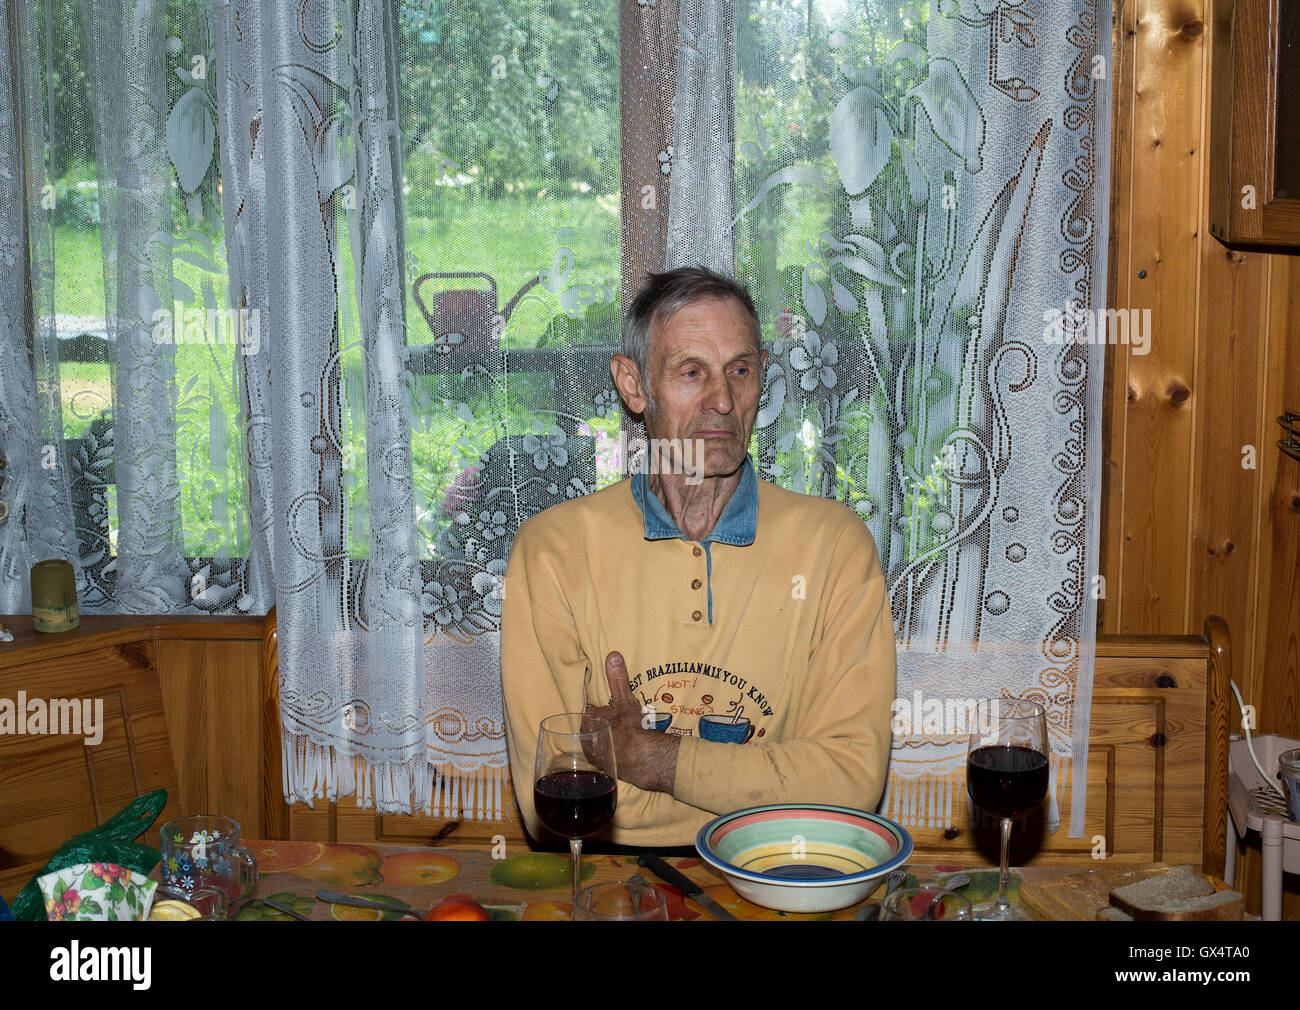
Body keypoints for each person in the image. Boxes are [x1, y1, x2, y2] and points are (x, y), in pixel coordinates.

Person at [501, 266, 896, 848]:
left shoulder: (835, 545)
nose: (722, 398)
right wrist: (767, 784)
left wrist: (653, 760)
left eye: (741, 370)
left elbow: (850, 786)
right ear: (634, 386)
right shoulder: (552, 552)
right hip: (611, 888)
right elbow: (555, 801)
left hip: (780, 879)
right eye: (692, 372)